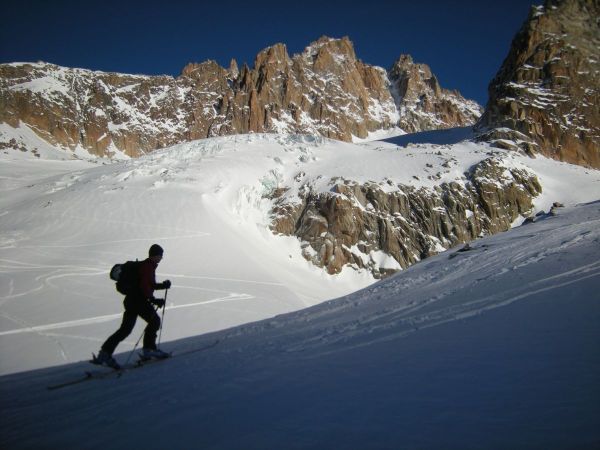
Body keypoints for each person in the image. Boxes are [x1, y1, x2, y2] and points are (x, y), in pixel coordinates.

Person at [94, 244, 172, 368]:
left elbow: (147, 284)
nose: (161, 258)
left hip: (131, 301)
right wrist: (154, 300)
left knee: (125, 329)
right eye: (160, 256)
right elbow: (145, 287)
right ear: (155, 255)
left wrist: (162, 285)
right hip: (138, 301)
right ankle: (149, 349)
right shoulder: (148, 267)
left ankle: (105, 353)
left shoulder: (145, 265)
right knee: (154, 321)